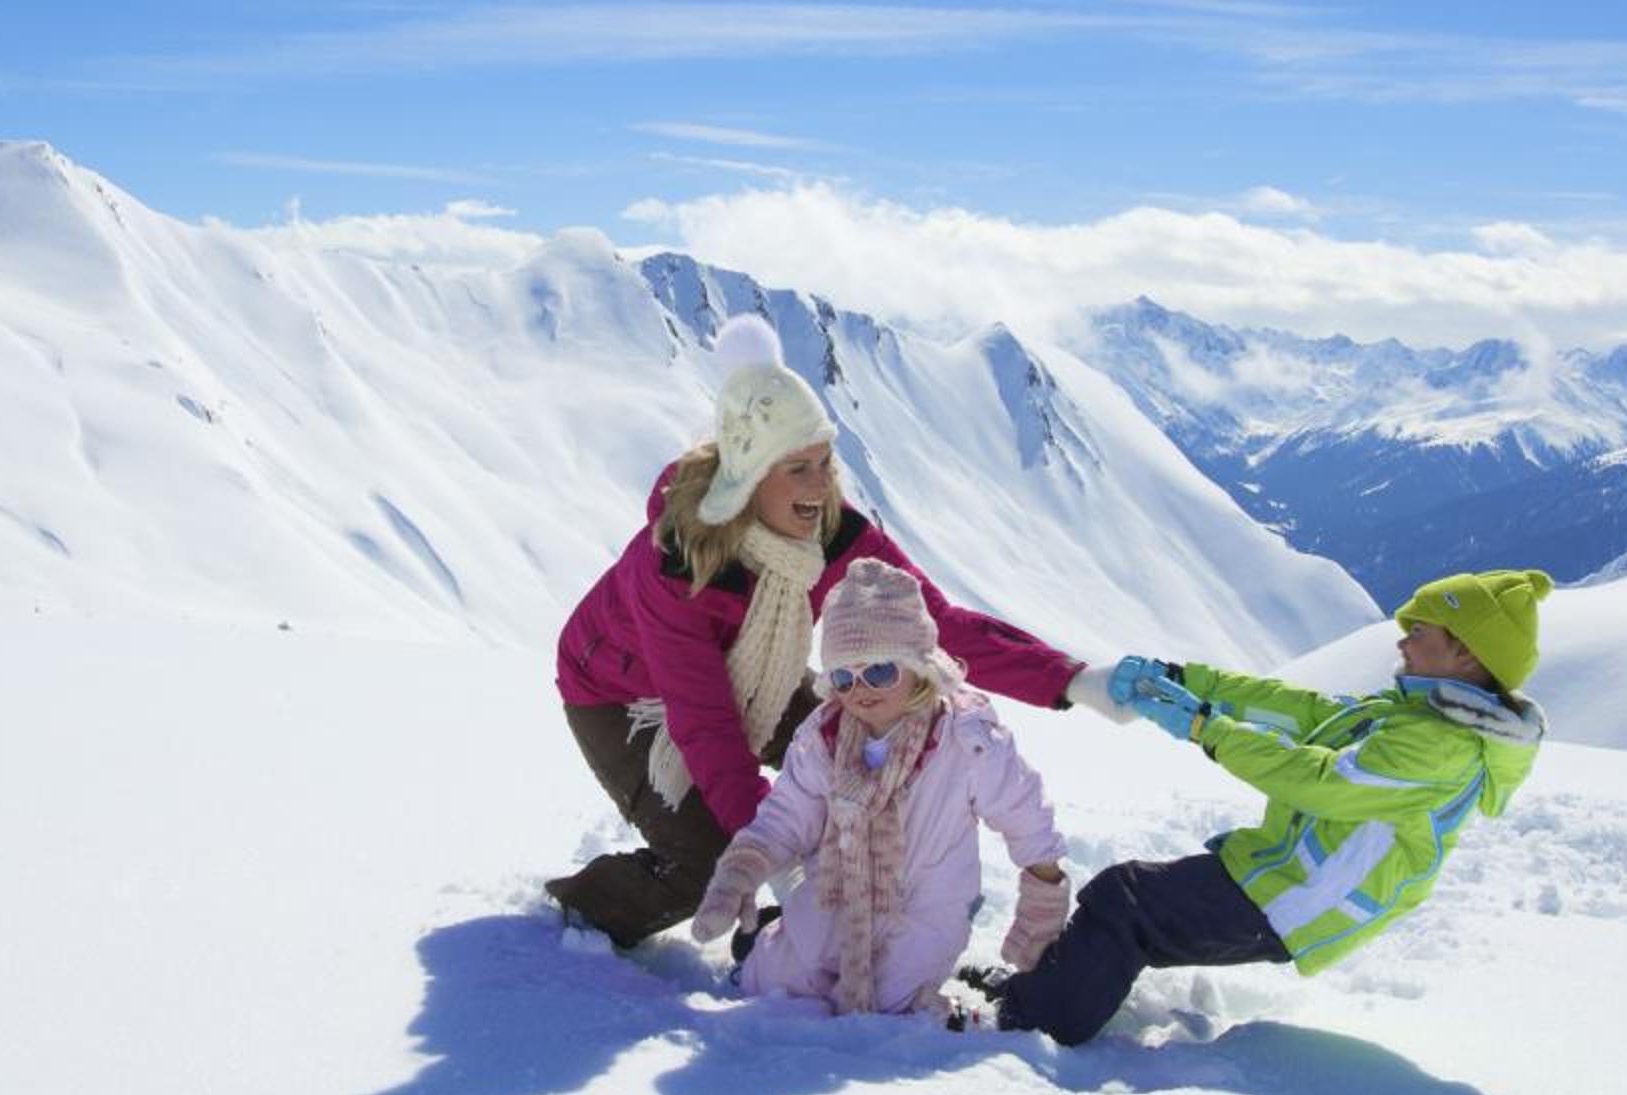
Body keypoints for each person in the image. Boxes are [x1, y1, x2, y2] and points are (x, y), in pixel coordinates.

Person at [549, 315, 1099, 949]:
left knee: (870, 751)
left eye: (824, 462)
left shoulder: (827, 528)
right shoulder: (677, 563)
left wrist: (1072, 680)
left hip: (761, 676)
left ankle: (871, 910)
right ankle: (584, 908)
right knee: (711, 864)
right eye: (797, 468)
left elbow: (930, 626)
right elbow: (707, 724)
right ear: (751, 477)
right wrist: (771, 857)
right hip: (621, 695)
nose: (820, 486)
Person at [982, 568, 1554, 1045]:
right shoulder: (1414, 714)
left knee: (1129, 904)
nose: (1403, 641)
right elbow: (1300, 711)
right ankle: (1041, 994)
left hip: (1301, 899)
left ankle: (1036, 1019)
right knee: (1132, 900)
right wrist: (1186, 681)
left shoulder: (1441, 746)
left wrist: (1204, 726)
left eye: (1420, 630)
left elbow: (1319, 782)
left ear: (1466, 654)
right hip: (1279, 876)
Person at [686, 559, 1072, 1018]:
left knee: (893, 1005)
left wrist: (1042, 900)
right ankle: (764, 942)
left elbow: (1023, 813)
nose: (861, 689)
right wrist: (741, 870)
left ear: (918, 666)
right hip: (832, 901)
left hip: (922, 913)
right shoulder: (824, 737)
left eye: (880, 672)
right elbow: (787, 816)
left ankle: (939, 1005)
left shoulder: (966, 739)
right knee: (776, 983)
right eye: (844, 677)